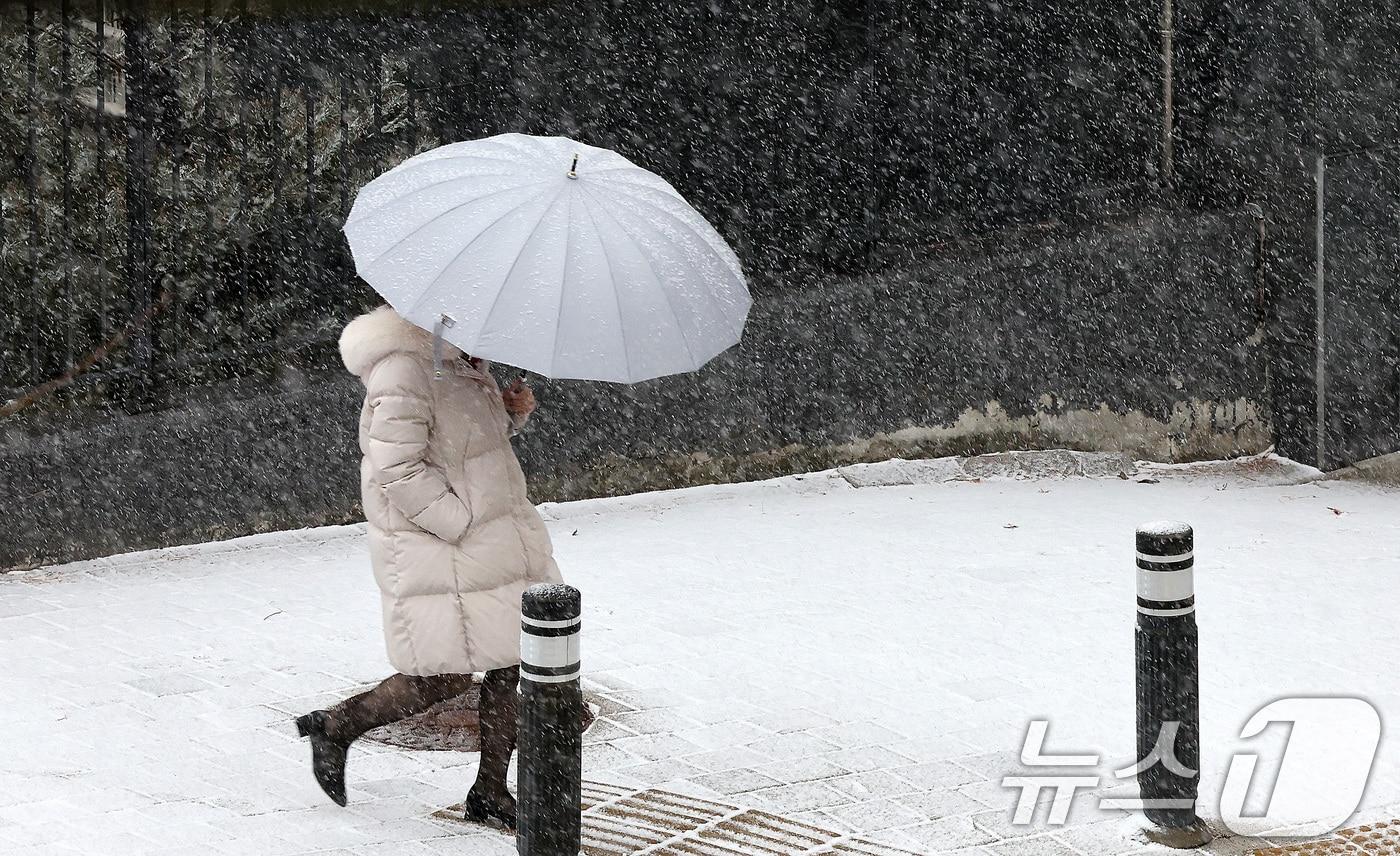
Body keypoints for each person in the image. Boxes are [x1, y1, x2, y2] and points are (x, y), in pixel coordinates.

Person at [295, 305, 562, 827]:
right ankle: (337, 725)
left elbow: (457, 446)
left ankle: (490, 790)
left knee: (514, 658)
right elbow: (395, 466)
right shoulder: (404, 367)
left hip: (492, 541)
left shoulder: (460, 362)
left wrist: (510, 414)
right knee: (442, 674)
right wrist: (455, 520)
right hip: (442, 544)